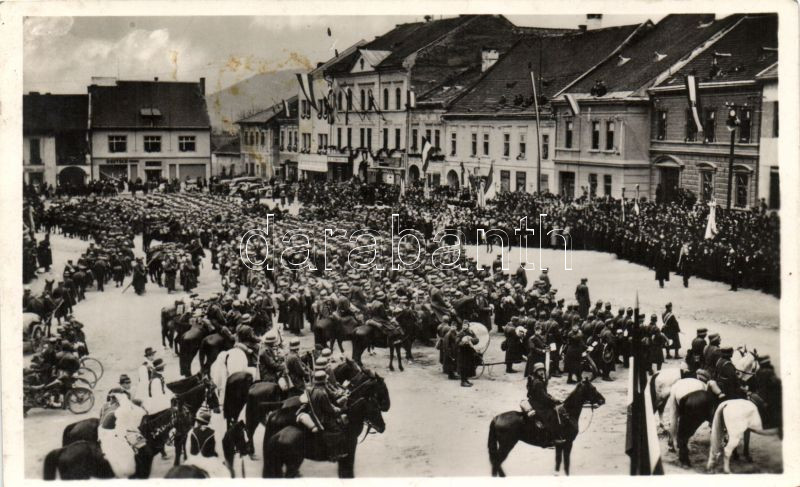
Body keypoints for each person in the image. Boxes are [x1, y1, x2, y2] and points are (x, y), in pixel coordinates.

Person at [307, 370, 347, 461]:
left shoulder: (313, 389)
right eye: (326, 379)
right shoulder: (322, 393)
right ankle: (334, 454)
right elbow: (329, 410)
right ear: (323, 381)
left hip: (315, 413)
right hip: (322, 418)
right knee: (338, 429)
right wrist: (339, 409)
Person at [526, 363, 564, 445]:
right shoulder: (538, 382)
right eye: (539, 370)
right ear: (536, 372)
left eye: (542, 370)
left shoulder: (535, 379)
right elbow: (543, 397)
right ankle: (551, 439)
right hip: (538, 404)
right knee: (552, 415)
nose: (542, 372)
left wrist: (552, 398)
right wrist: (554, 401)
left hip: (534, 401)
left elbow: (544, 394)